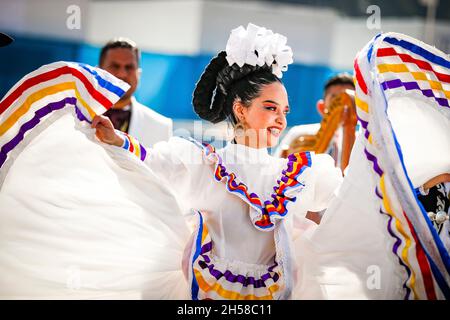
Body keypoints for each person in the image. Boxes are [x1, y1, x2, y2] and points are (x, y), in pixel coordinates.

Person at [92, 23, 343, 300]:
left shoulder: (297, 175)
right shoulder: (206, 164)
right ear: (240, 109)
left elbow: (344, 201)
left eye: (284, 110)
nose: (281, 119)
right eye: (270, 108)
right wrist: (117, 139)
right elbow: (152, 161)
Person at [99, 38, 172, 146]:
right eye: (115, 66)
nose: (122, 74)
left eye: (129, 67)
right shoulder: (73, 115)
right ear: (98, 71)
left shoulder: (161, 126)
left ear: (139, 74)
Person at [274, 73, 355, 165]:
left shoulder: (361, 143)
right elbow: (277, 166)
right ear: (321, 107)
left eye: (350, 100)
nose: (343, 105)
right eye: (335, 99)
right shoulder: (299, 133)